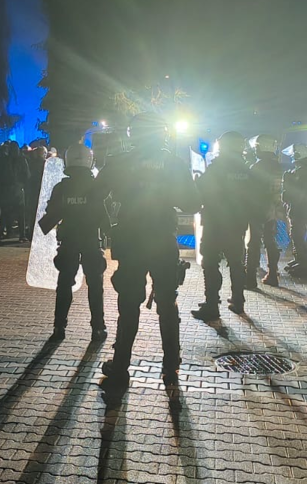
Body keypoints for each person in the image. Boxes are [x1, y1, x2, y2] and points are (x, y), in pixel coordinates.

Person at [93, 112, 199, 399]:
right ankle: (171, 365)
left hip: (131, 240)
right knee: (167, 302)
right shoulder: (174, 163)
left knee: (129, 304)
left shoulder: (120, 161)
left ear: (133, 135)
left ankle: (121, 367)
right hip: (162, 239)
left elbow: (95, 193)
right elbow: (192, 202)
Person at [40, 144, 108, 342]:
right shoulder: (96, 187)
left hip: (69, 240)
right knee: (95, 285)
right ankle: (98, 328)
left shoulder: (62, 187)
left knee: (64, 284)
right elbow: (104, 216)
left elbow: (51, 214)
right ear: (90, 162)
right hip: (91, 240)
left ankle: (59, 327)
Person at [193, 131, 255, 319]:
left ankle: (212, 305)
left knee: (210, 263)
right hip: (237, 224)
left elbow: (202, 189)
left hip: (215, 223)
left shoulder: (217, 167)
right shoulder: (247, 170)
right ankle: (238, 301)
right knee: (236, 263)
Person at [247, 135, 285, 287]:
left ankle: (250, 278)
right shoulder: (277, 166)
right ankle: (273, 273)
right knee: (270, 241)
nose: (255, 150)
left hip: (257, 208)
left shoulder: (257, 166)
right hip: (272, 208)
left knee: (254, 243)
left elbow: (250, 188)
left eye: (257, 147)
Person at [282, 145, 307, 281]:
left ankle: (303, 266)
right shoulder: (306, 169)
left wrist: (288, 181)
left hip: (299, 208)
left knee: (297, 236)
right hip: (301, 208)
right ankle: (299, 260)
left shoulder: (303, 171)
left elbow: (297, 192)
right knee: (297, 235)